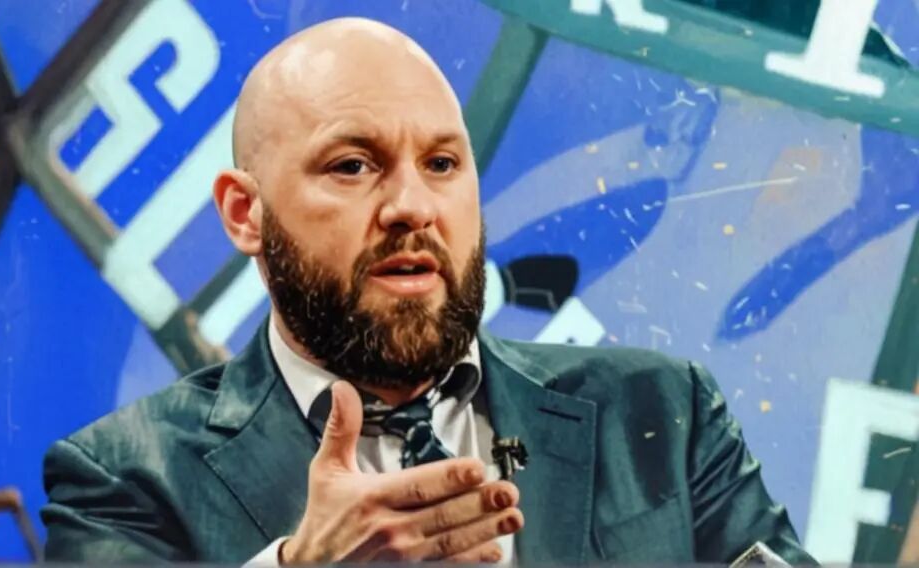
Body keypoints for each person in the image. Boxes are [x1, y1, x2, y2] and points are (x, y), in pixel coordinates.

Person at [41, 17, 815, 564]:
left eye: (441, 165)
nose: (412, 206)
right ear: (246, 213)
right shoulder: (123, 477)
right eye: (352, 165)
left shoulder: (660, 415)